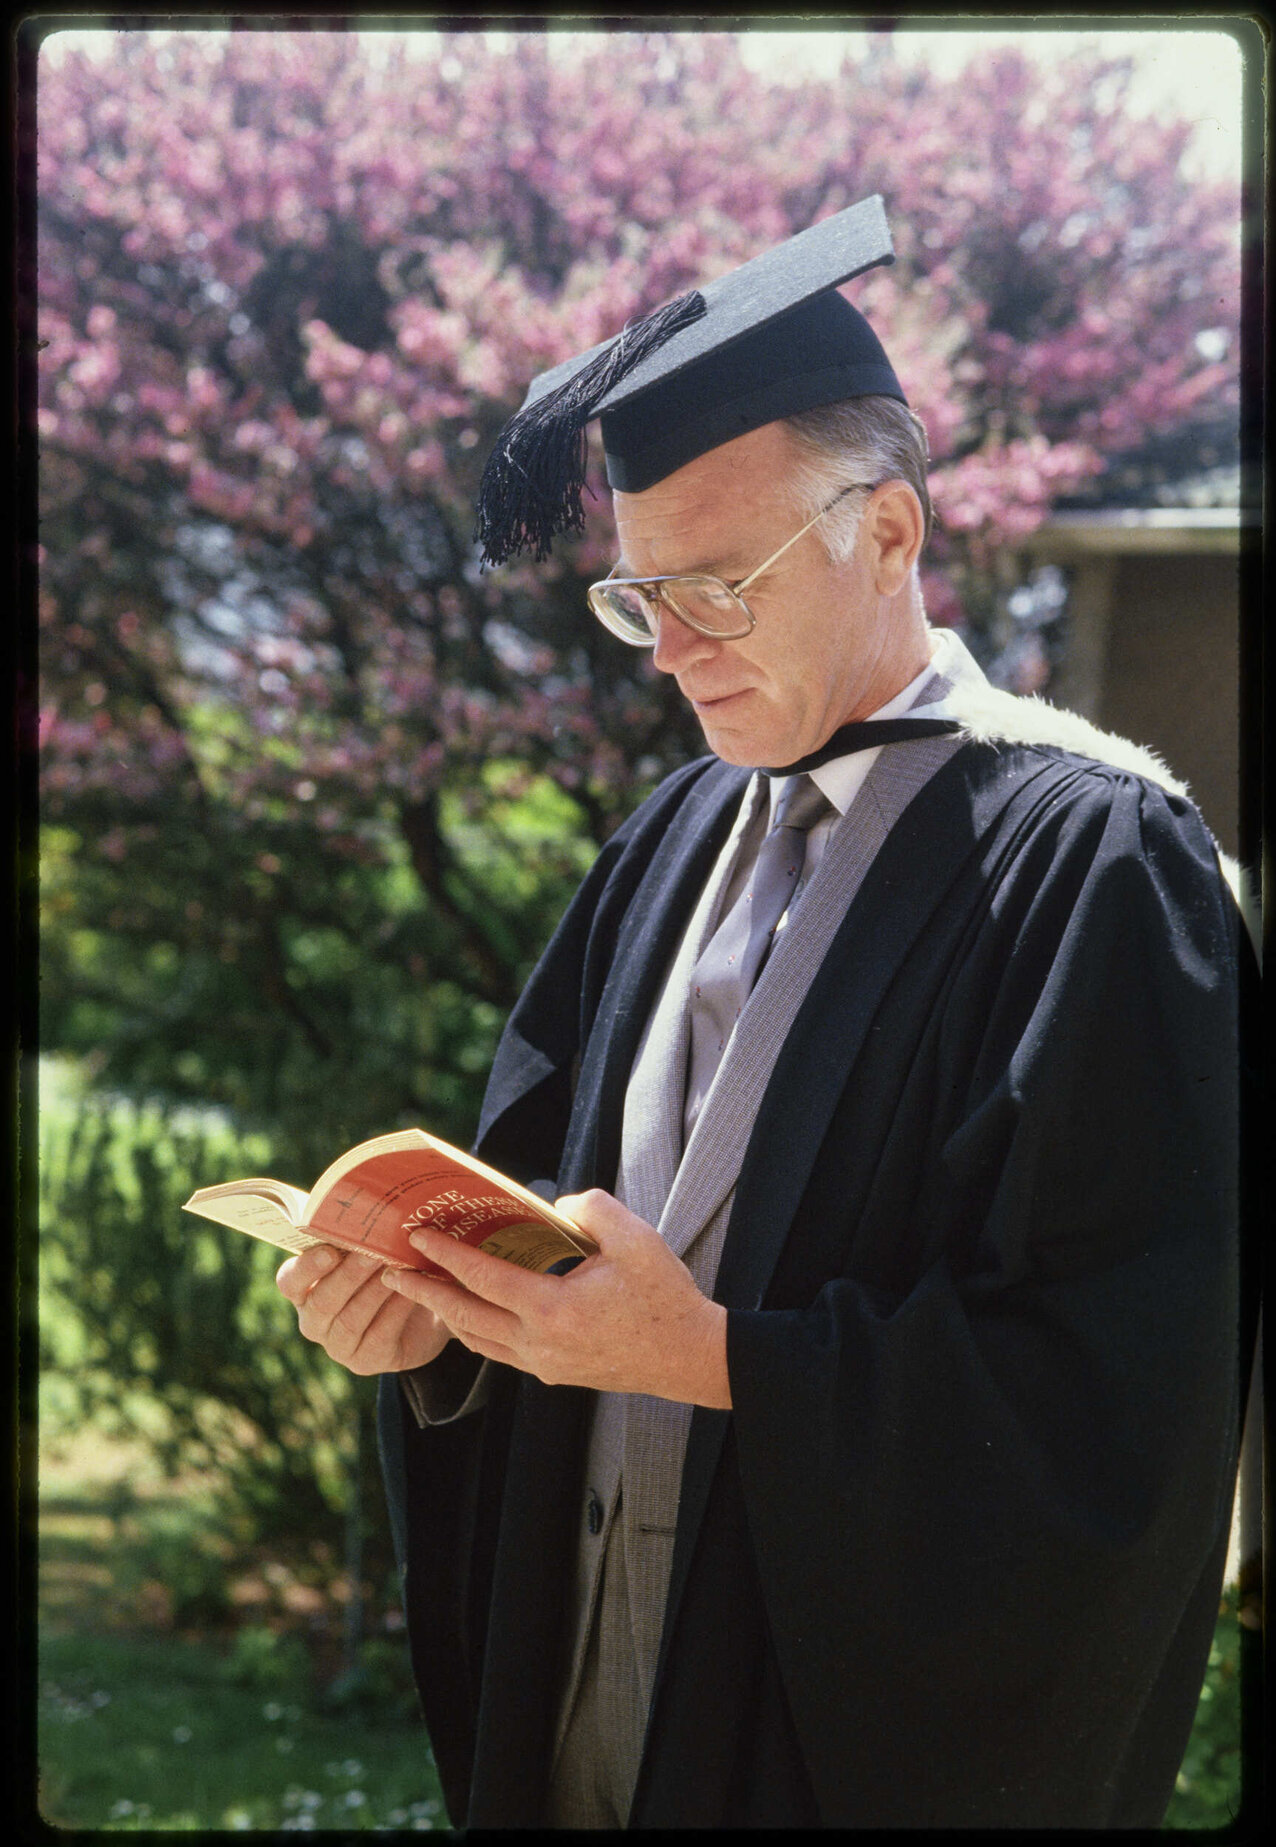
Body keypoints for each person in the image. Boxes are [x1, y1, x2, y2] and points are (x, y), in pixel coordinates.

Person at [276, 198, 1247, 1829]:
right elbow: (531, 1229)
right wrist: (437, 1332)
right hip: (581, 1713)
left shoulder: (1097, 863)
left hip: (825, 1735)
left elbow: (1123, 1394)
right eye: (639, 594)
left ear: (889, 532)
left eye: (719, 584)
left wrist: (718, 1359)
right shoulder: (666, 842)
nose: (669, 651)